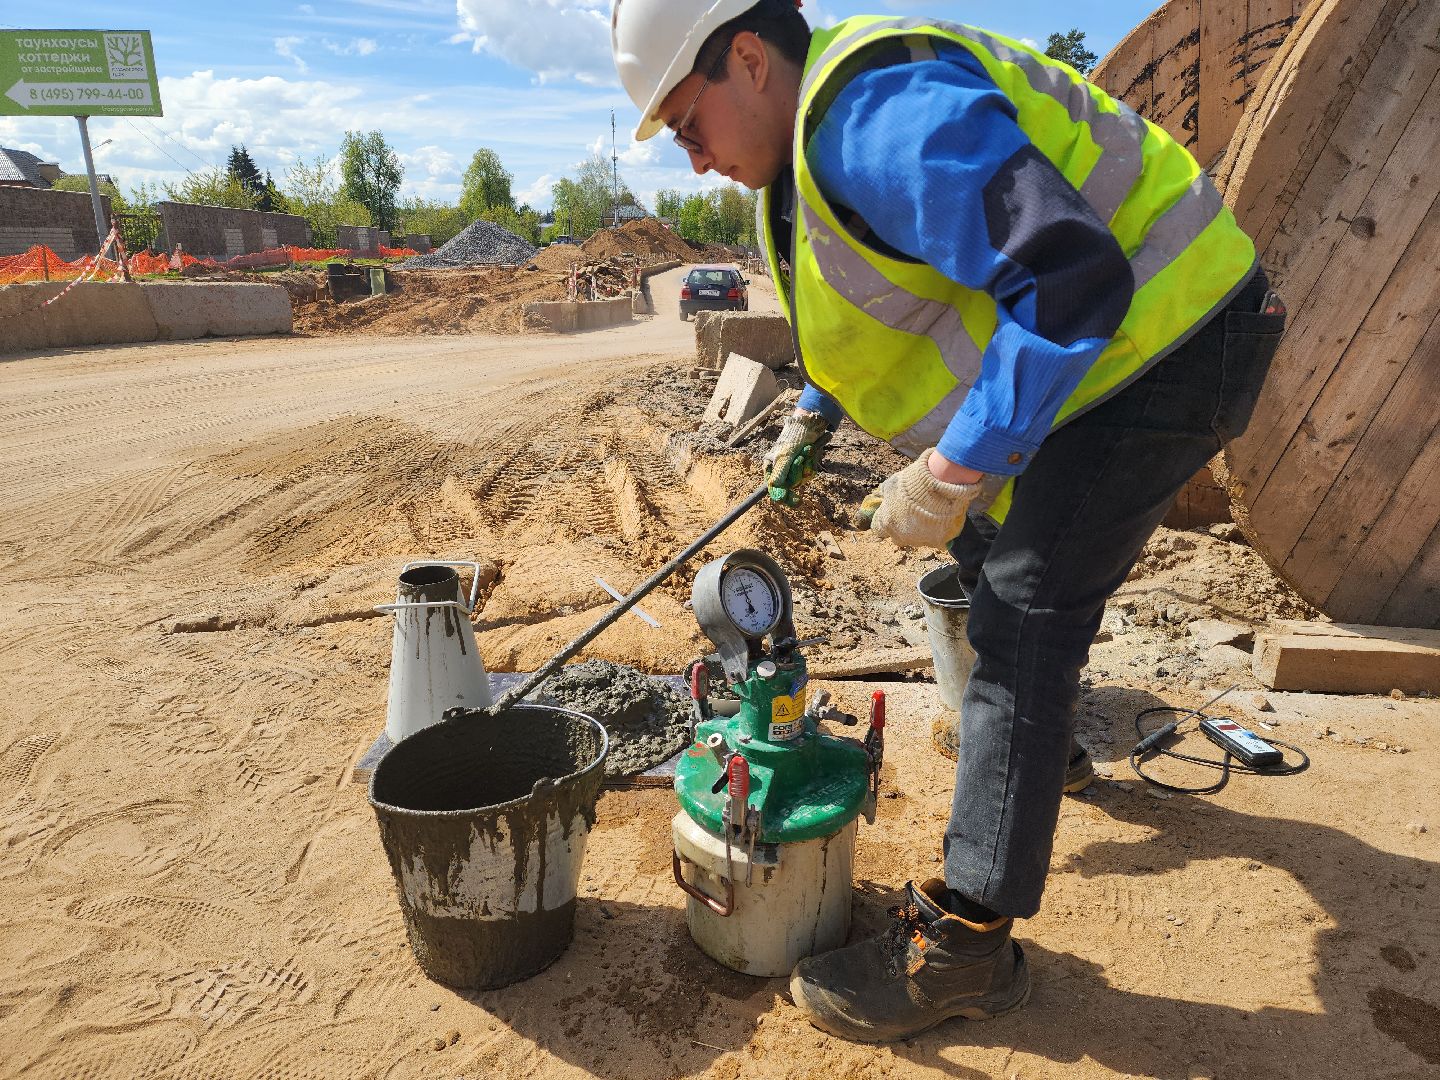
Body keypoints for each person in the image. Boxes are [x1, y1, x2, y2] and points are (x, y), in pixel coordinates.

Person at [612, 0, 1285, 1044]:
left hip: (1168, 336)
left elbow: (1073, 279)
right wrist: (813, 410)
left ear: (746, 58)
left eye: (689, 125)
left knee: (1022, 615)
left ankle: (965, 946)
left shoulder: (874, 110)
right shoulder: (802, 152)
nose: (693, 161)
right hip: (1108, 362)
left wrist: (949, 466)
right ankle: (1035, 755)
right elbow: (894, 295)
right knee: (983, 560)